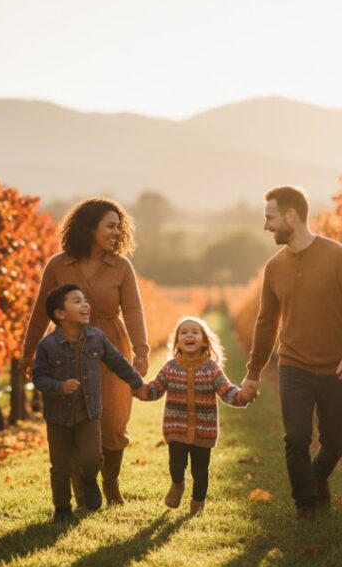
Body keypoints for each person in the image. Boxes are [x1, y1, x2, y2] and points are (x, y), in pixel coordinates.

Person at [240, 186, 342, 520]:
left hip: (336, 367)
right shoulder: (274, 267)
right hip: (293, 365)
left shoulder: (338, 255)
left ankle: (316, 477)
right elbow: (266, 322)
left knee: (335, 442)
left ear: (291, 216)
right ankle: (306, 505)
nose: (266, 226)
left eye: (270, 217)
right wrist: (253, 373)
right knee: (296, 438)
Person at [21, 198, 149, 507]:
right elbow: (41, 311)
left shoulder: (121, 266)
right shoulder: (58, 264)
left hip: (110, 344)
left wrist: (141, 352)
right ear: (89, 227)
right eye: (110, 226)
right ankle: (83, 490)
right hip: (66, 349)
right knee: (75, 417)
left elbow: (133, 311)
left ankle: (111, 482)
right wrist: (28, 354)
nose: (117, 232)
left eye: (120, 227)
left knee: (115, 420)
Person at [32, 284, 145, 522]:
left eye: (85, 300)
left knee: (93, 458)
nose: (86, 305)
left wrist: (137, 383)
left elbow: (118, 362)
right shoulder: (47, 346)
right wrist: (59, 387)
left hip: (89, 412)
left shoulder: (96, 338)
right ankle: (62, 508)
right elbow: (38, 378)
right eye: (77, 301)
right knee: (60, 467)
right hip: (58, 418)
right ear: (60, 314)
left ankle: (89, 480)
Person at [134, 316, 249, 516]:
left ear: (204, 341)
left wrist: (242, 396)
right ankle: (177, 485)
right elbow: (155, 388)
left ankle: (197, 503)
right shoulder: (170, 367)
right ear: (177, 341)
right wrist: (140, 390)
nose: (189, 335)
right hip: (176, 427)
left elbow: (226, 391)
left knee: (200, 470)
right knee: (176, 464)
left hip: (204, 430)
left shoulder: (212, 369)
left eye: (195, 332)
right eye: (184, 332)